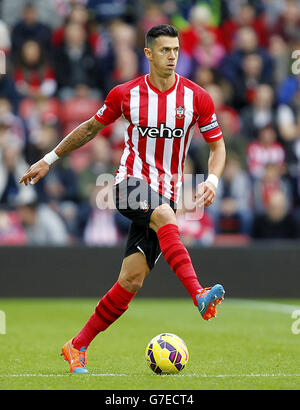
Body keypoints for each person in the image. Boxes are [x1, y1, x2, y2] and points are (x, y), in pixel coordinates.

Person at [19, 25, 226, 374]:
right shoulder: (126, 94)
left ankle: (77, 345)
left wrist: (214, 179)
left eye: (175, 49)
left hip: (168, 194)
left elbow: (217, 146)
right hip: (129, 184)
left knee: (131, 280)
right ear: (148, 54)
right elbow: (89, 128)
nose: (172, 56)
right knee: (164, 215)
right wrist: (48, 159)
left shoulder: (197, 98)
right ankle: (198, 293)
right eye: (164, 50)